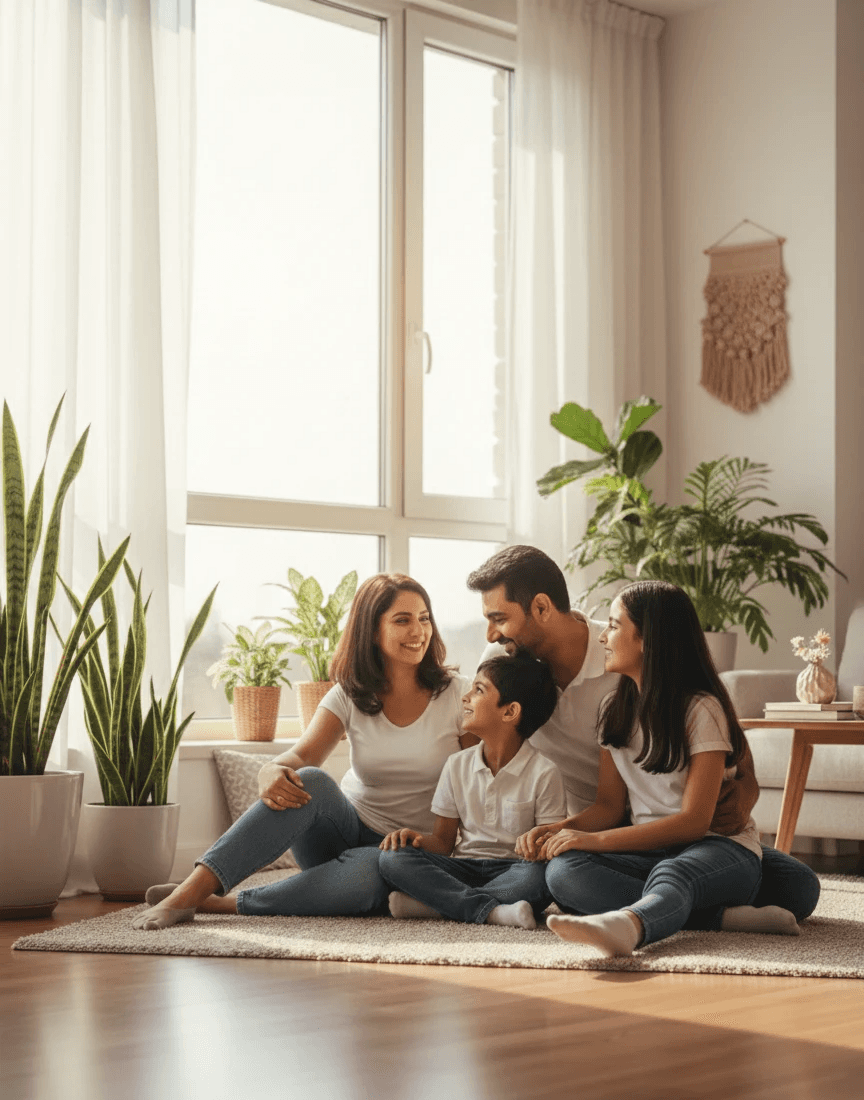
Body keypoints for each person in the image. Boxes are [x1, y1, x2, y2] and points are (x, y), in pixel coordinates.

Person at [467, 545, 821, 931]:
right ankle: (714, 916)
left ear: (540, 608)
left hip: (688, 836)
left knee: (799, 888)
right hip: (617, 831)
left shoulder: (637, 668)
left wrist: (746, 791)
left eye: (499, 618)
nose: (492, 633)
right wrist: (551, 830)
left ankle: (644, 915)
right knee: (564, 875)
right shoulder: (514, 667)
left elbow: (728, 757)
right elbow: (476, 736)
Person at [133, 574, 471, 930]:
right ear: (372, 631)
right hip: (343, 832)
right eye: (402, 620)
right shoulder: (348, 694)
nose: (418, 630)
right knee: (310, 780)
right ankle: (188, 893)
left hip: (408, 851)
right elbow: (301, 757)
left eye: (424, 618)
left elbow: (476, 782)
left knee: (368, 880)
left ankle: (224, 904)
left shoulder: (458, 696)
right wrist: (271, 769)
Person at [520, 580, 799, 957]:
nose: (604, 637)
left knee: (791, 886)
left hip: (714, 846)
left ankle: (631, 926)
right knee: (564, 874)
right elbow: (608, 807)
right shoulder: (612, 711)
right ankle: (718, 918)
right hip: (653, 850)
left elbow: (694, 822)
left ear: (647, 640)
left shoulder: (701, 709)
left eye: (615, 626)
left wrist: (594, 841)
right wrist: (559, 830)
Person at [378, 653, 564, 929]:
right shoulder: (457, 765)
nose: (465, 697)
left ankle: (437, 907)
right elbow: (443, 842)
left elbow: (545, 850)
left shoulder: (545, 772)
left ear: (509, 711)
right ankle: (494, 911)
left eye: (478, 690)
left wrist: (535, 846)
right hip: (461, 868)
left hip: (513, 869)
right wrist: (414, 839)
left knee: (542, 875)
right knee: (393, 858)